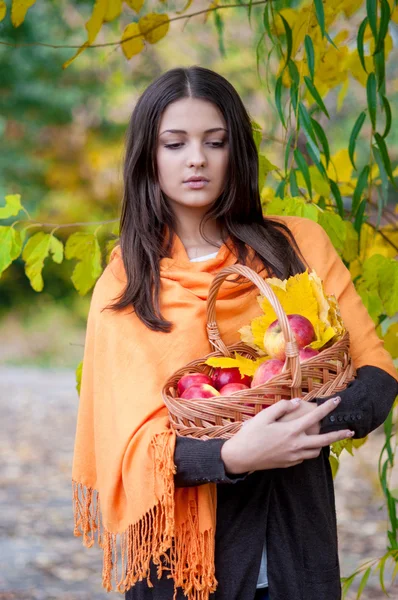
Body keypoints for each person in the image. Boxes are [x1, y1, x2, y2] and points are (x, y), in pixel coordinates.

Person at [71, 67, 398, 600]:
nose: (196, 158)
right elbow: (128, 449)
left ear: (236, 152)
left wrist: (300, 427)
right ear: (148, 159)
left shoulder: (299, 247)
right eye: (174, 143)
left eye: (215, 142)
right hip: (181, 571)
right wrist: (233, 455)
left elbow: (377, 374)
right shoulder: (127, 283)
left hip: (297, 542)